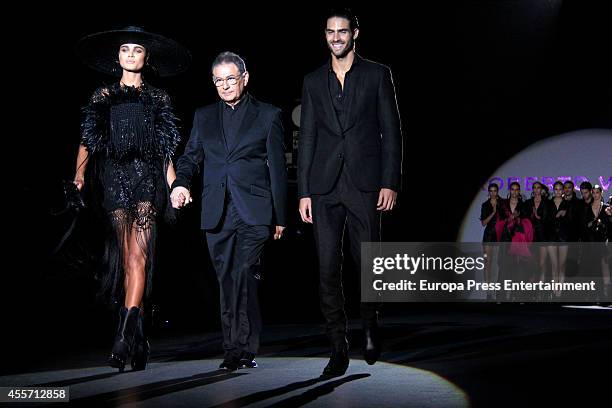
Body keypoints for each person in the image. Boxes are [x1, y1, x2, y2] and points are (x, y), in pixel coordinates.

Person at [74, 26, 190, 371]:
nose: (130, 55)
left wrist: (174, 185)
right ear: (118, 56)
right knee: (127, 262)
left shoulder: (158, 99)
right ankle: (140, 340)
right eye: (125, 49)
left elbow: (165, 149)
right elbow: (87, 139)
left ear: (146, 57)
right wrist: (78, 175)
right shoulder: (102, 96)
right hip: (114, 180)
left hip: (146, 181)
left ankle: (122, 339)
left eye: (137, 50)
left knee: (138, 258)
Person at [297, 8, 402, 377]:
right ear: (324, 35)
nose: (336, 37)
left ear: (355, 33)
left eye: (343, 31)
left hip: (364, 183)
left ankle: (371, 323)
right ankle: (337, 346)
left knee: (368, 262)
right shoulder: (312, 81)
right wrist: (304, 191)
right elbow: (307, 136)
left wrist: (389, 181)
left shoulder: (377, 74)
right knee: (327, 268)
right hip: (324, 187)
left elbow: (392, 132)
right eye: (330, 32)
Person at [171, 52, 287, 371]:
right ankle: (230, 348)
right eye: (218, 80)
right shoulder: (204, 115)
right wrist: (180, 184)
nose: (225, 86)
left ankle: (246, 347)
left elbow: (277, 169)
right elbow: (190, 157)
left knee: (246, 276)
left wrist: (279, 217)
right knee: (226, 280)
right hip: (216, 211)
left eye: (230, 79)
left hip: (255, 210)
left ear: (245, 78)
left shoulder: (269, 115)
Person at [480, 183, 503, 287]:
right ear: (488, 192)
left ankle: (495, 286)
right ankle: (487, 287)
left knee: (498, 262)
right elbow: (484, 223)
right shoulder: (485, 205)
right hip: (488, 236)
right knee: (487, 261)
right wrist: (493, 213)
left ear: (497, 192)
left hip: (499, 236)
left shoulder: (502, 203)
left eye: (495, 191)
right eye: (491, 191)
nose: (493, 193)